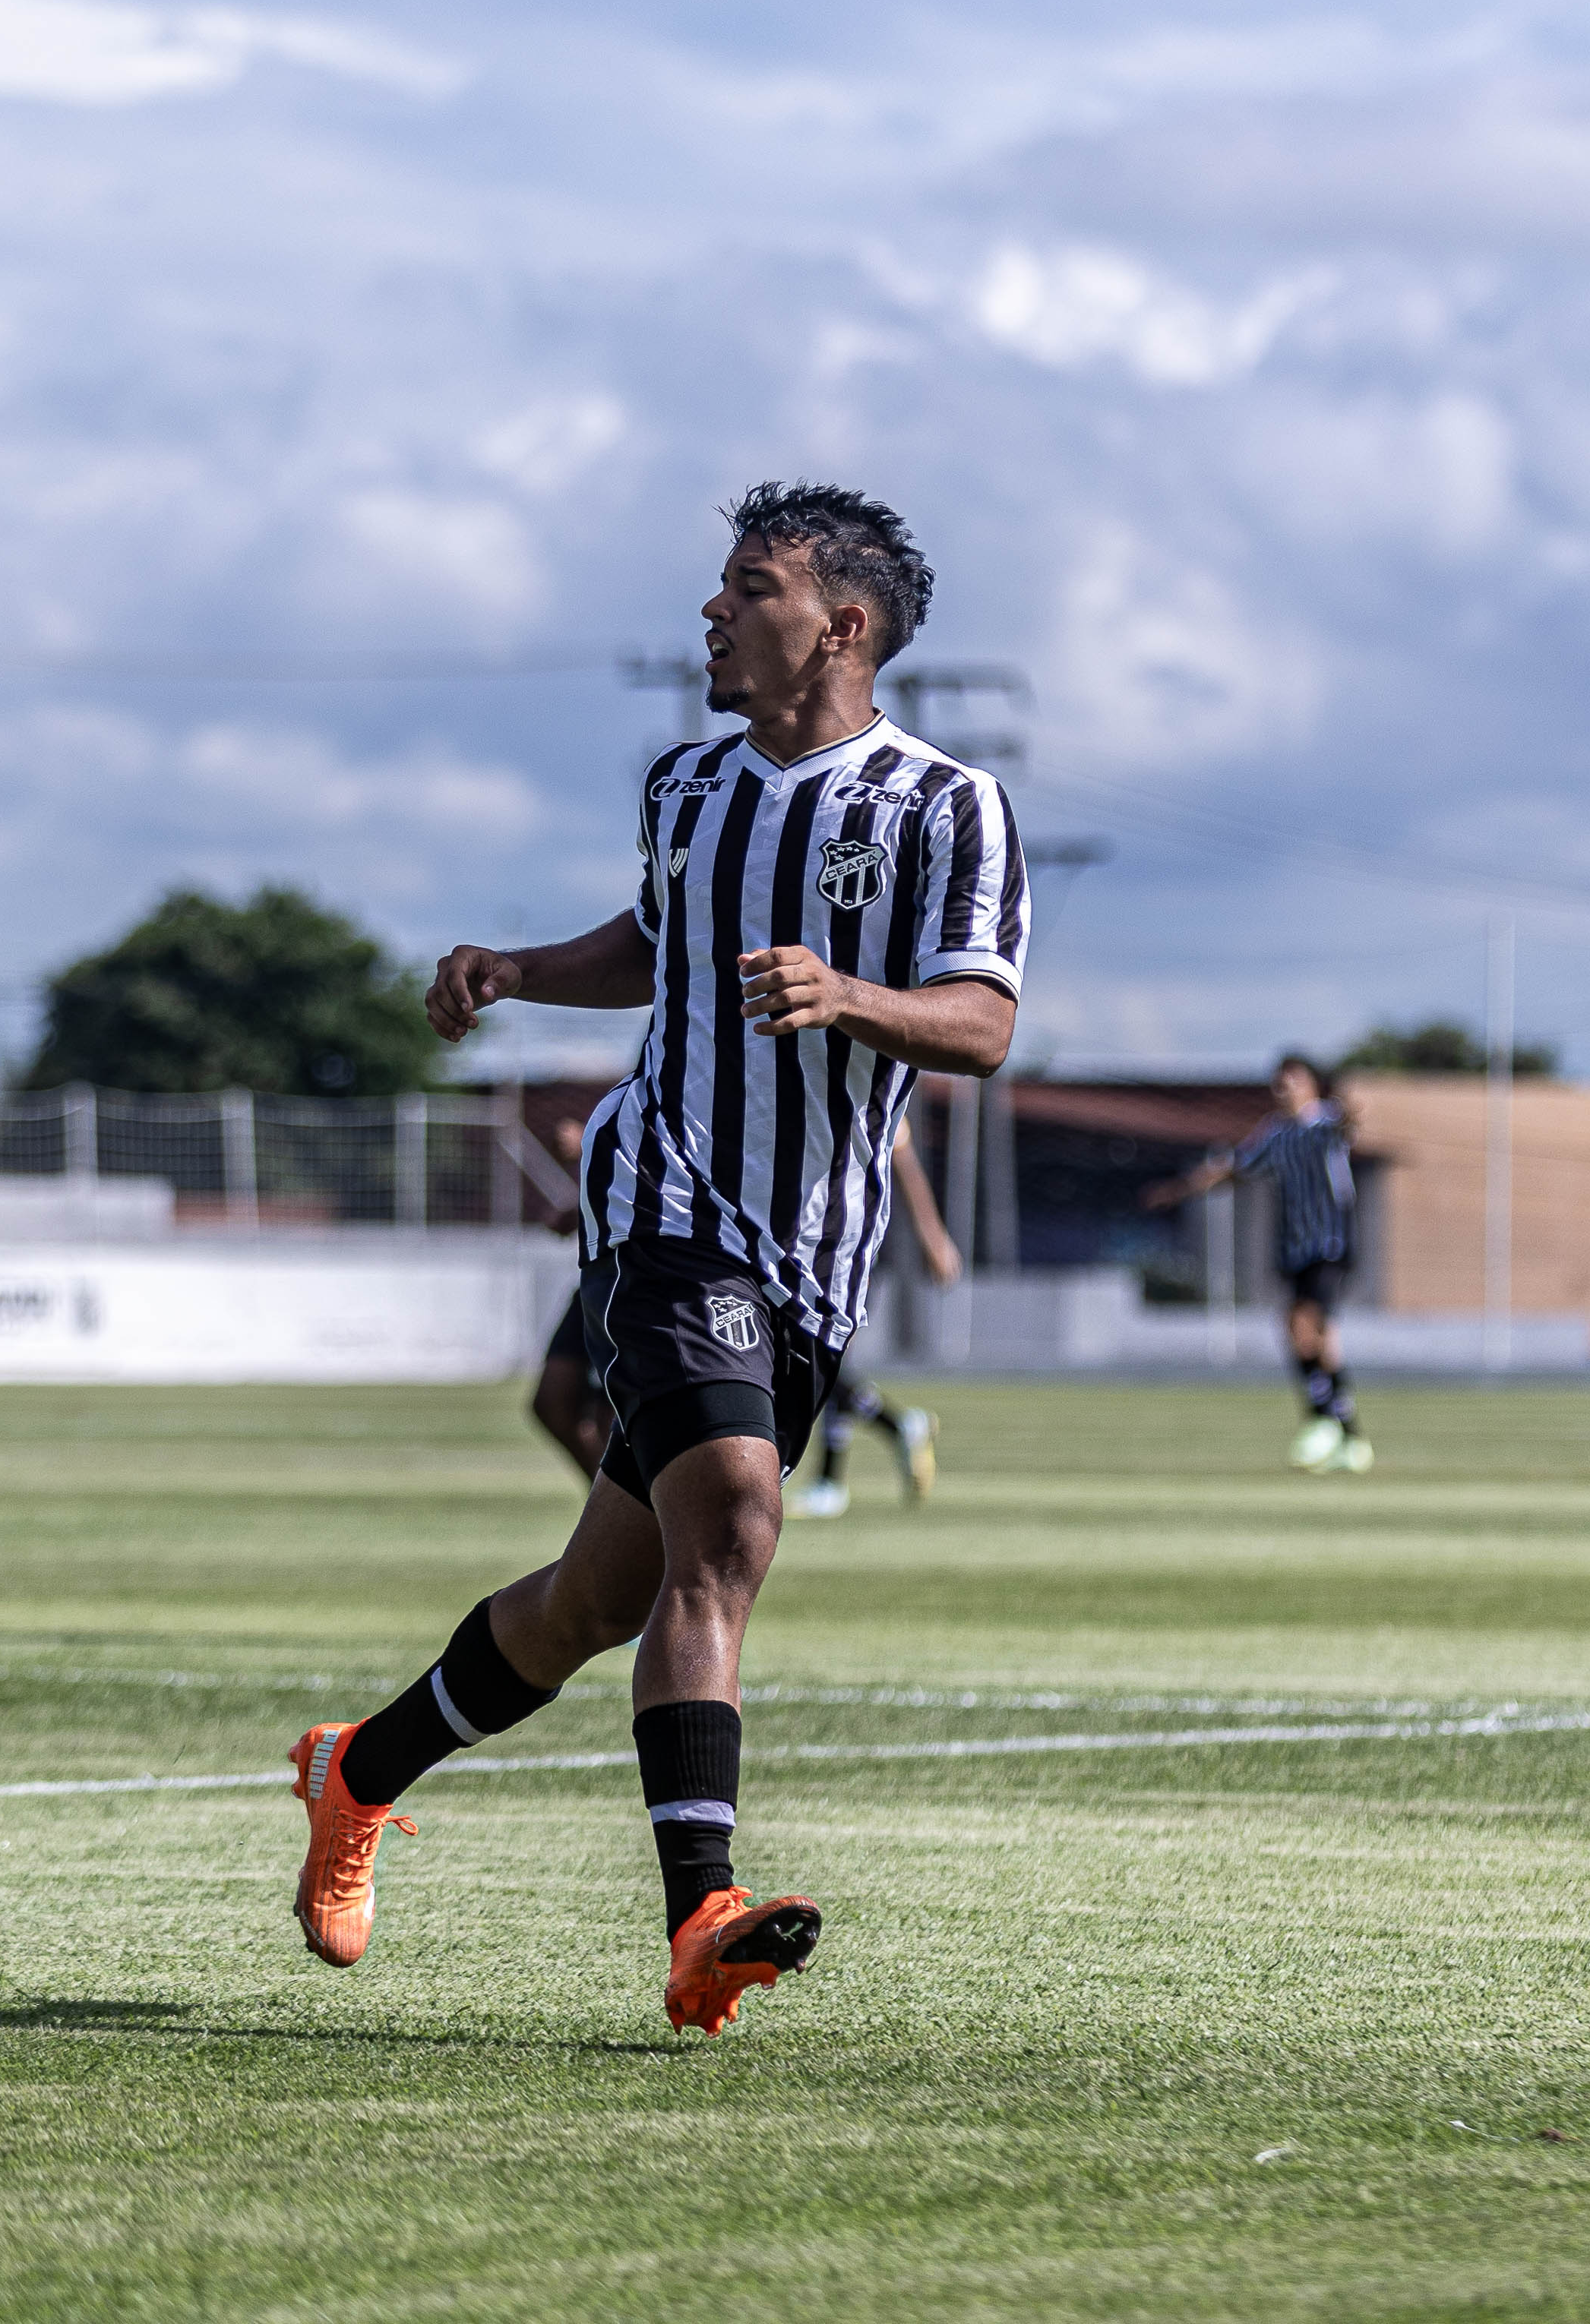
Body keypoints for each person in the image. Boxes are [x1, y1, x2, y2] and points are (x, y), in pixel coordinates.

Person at [288, 482, 1026, 2034]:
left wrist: (850, 995)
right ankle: (706, 1915)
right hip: (665, 1202)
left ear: (844, 624)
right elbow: (655, 942)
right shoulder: (688, 782)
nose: (709, 611)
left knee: (589, 1606)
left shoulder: (943, 806)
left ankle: (356, 1772)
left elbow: (983, 1022)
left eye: (745, 587)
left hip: (816, 1252)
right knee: (736, 1526)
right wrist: (519, 970)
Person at [1146, 1053, 1366, 1472]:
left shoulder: (1324, 1123)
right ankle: (1347, 1434)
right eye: (1279, 1083)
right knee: (1315, 1337)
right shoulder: (1275, 1134)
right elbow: (1234, 1168)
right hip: (1295, 1247)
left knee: (1306, 1325)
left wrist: (1352, 1108)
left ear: (1312, 1086)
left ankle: (1323, 1423)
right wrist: (1178, 1191)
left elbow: (1348, 1124)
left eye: (1293, 1082)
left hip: (1331, 1244)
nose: (1284, 1090)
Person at [792, 1120, 956, 1517]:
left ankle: (835, 1479)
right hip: (797, 1242)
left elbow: (905, 1161)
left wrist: (933, 1237)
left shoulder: (860, 1076)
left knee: (814, 1357)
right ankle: (893, 1432)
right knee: (817, 1359)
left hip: (844, 1248)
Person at [520, 1113, 612, 1481]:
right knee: (551, 1403)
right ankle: (614, 1509)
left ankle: (629, 1519)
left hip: (638, 1286)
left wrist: (590, 1142)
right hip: (596, 1283)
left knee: (615, 1417)